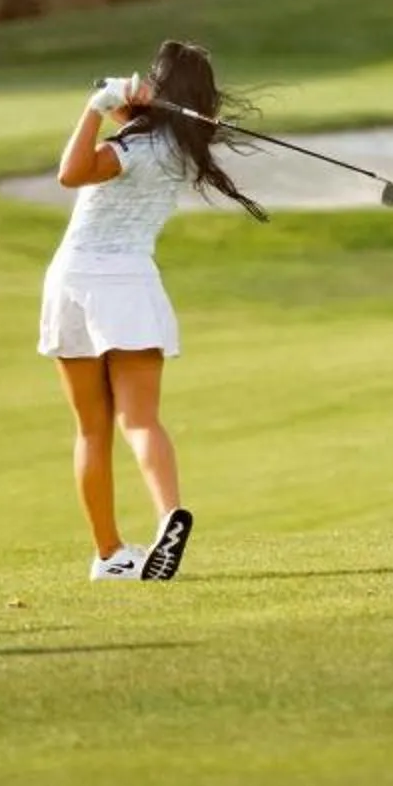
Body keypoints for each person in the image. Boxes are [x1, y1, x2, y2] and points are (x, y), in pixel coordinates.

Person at [40, 38, 262, 583]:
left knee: (92, 430)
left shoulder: (131, 150)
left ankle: (111, 554)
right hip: (132, 285)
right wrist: (120, 98)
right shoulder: (184, 150)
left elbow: (72, 173)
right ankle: (168, 514)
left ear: (163, 91)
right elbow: (132, 121)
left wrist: (94, 108)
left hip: (76, 281)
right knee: (140, 420)